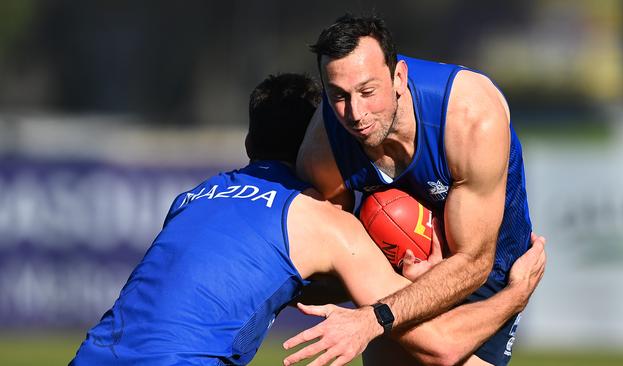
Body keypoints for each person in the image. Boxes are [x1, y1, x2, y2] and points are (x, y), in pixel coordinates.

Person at [69, 73, 545, 366]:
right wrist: (514, 295)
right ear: (321, 146)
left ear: (250, 145)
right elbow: (438, 348)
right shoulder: (320, 221)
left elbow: (271, 278)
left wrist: (392, 281)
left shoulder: (192, 198)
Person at [292, 14, 536, 366]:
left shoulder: (469, 117)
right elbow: (331, 262)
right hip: (392, 279)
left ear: (399, 78)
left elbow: (474, 262)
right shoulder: (323, 152)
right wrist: (382, 272)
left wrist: (377, 316)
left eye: (368, 91)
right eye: (339, 96)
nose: (356, 113)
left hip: (488, 274)